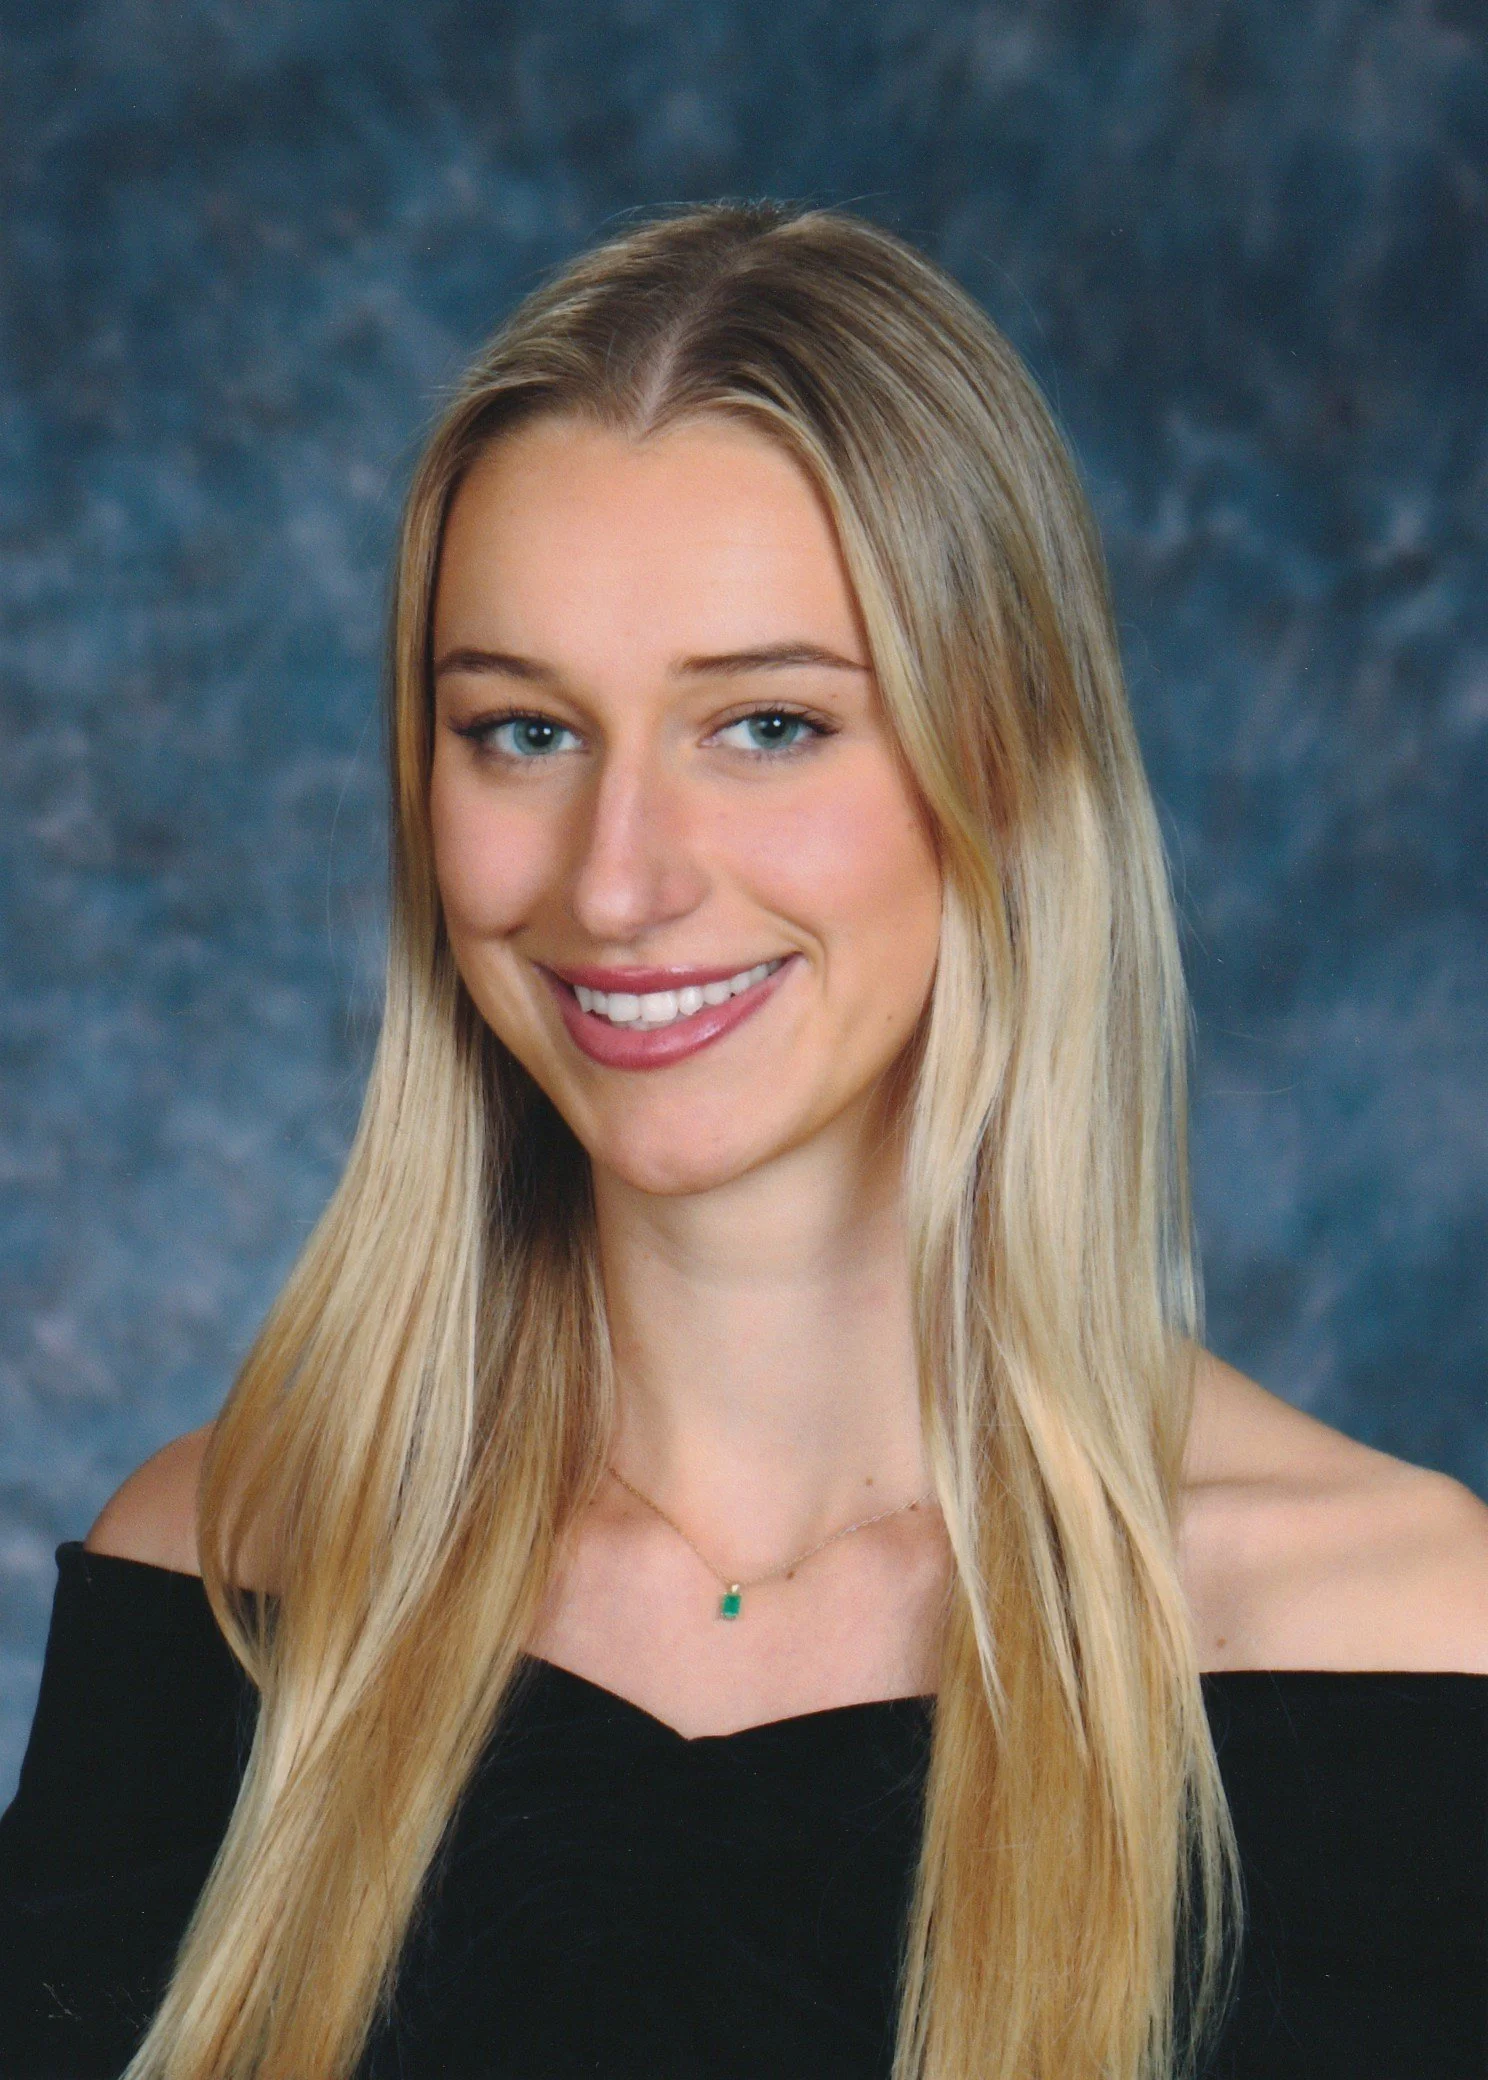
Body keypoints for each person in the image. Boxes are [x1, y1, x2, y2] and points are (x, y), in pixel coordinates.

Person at [1, 200, 1484, 2080]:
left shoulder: (1412, 1655)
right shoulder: (220, 1582)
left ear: (1009, 766)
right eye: (523, 733)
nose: (617, 883)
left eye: (768, 726)